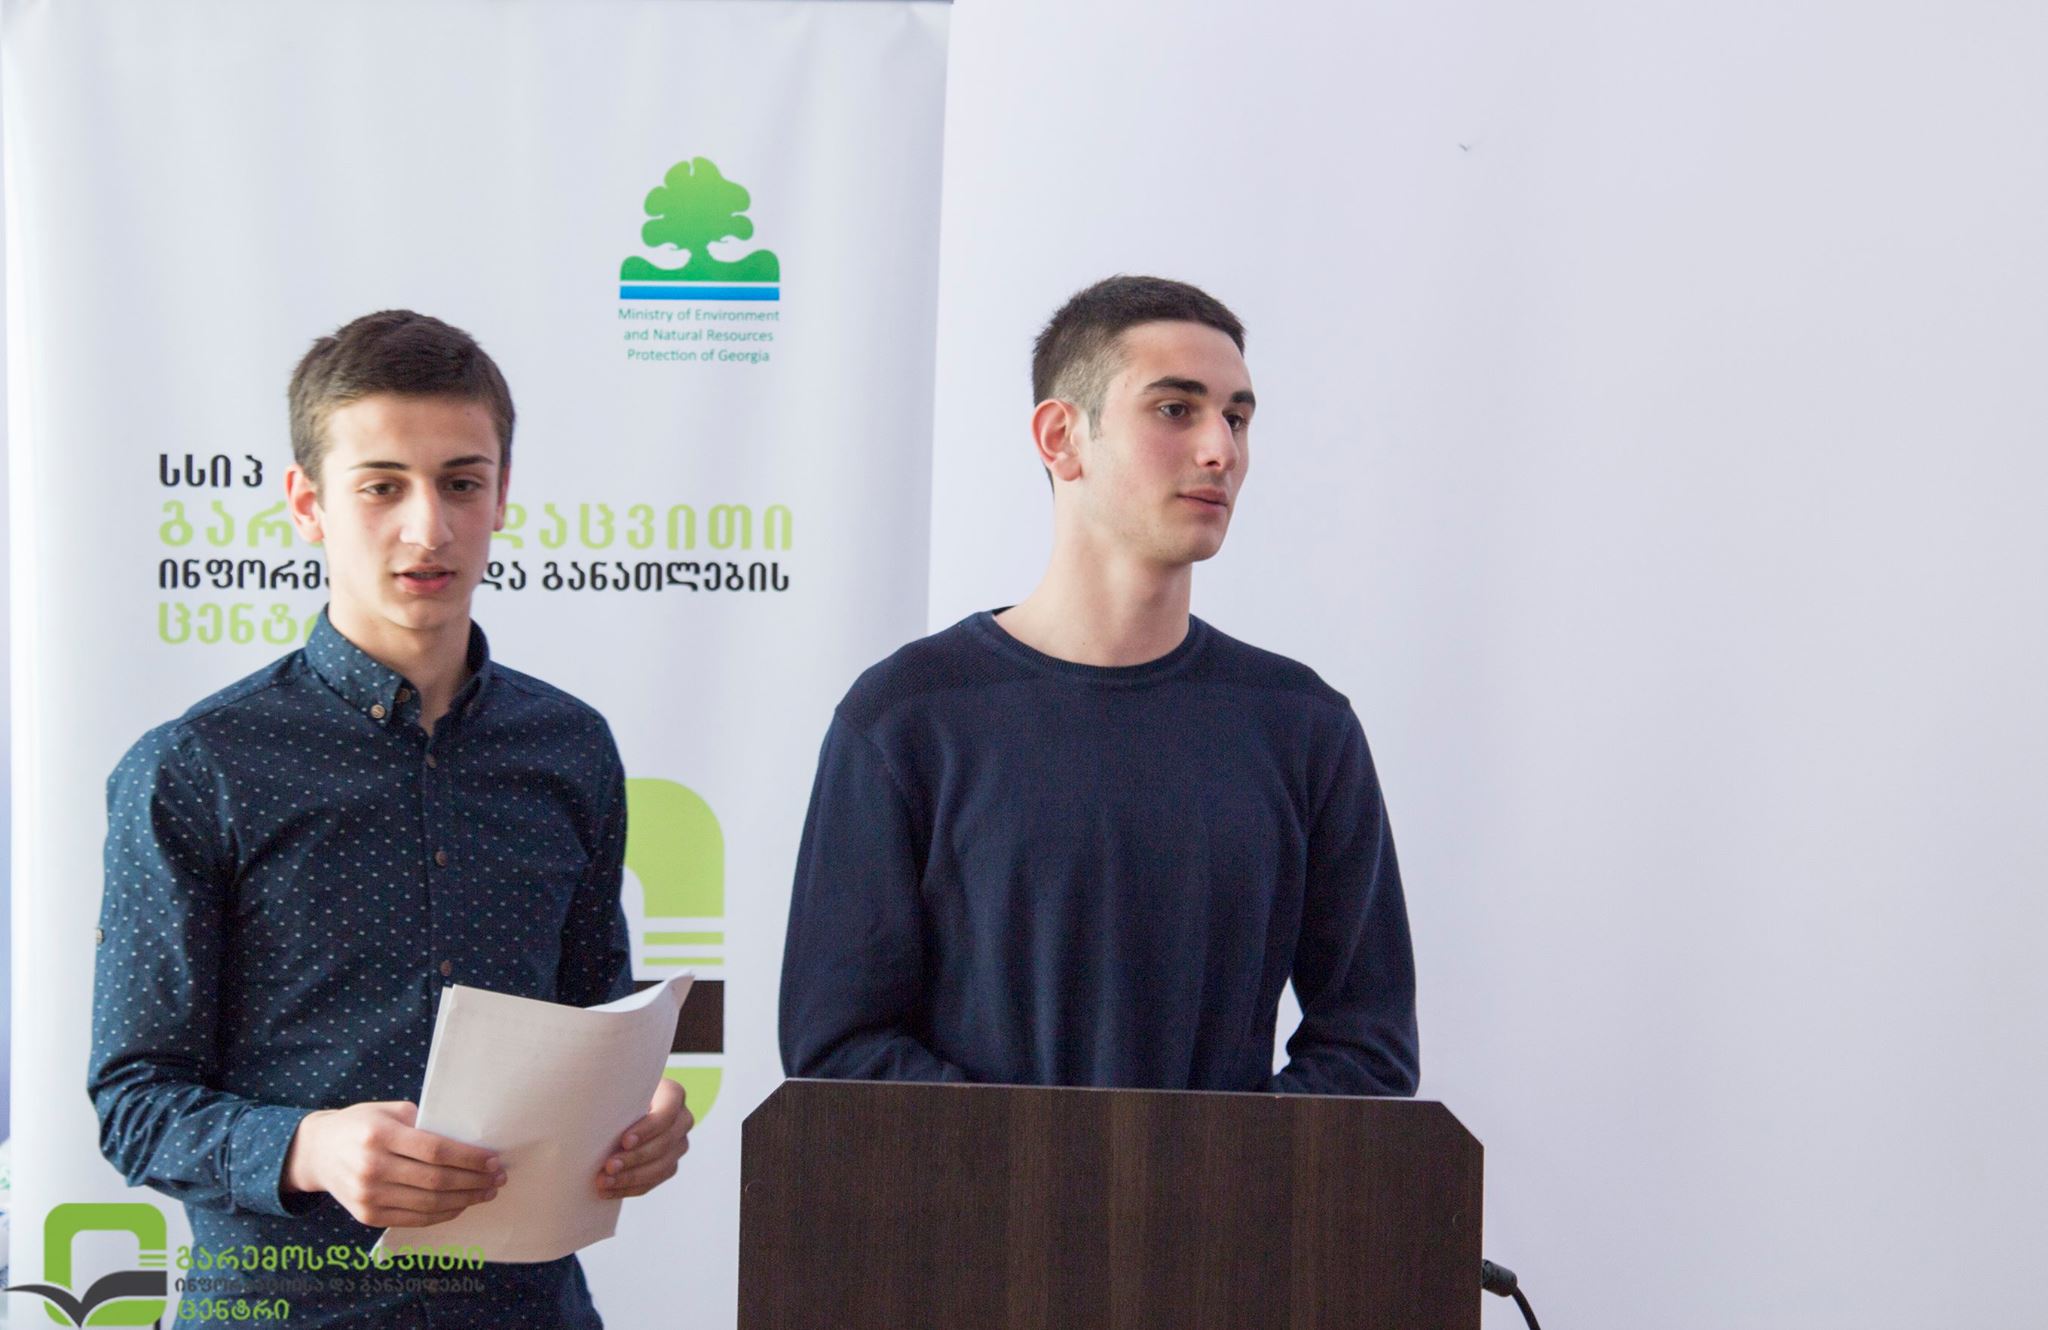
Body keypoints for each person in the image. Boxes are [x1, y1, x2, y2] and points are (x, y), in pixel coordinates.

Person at [90, 310, 691, 1328]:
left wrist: (644, 1115)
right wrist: (309, 1146)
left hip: (528, 1309)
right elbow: (136, 1102)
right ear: (307, 503)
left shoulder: (570, 747)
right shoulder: (196, 766)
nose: (429, 528)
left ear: (502, 495)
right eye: (381, 486)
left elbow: (597, 1016)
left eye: (461, 483)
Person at [779, 275, 1419, 1095]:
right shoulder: (908, 718)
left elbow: (1369, 1052)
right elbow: (838, 1050)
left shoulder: (1302, 727)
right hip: (974, 1188)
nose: (1221, 450)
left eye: (1237, 417)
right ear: (1062, 438)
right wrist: (1052, 1161)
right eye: (1175, 409)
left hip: (1231, 1190)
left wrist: (1208, 1163)